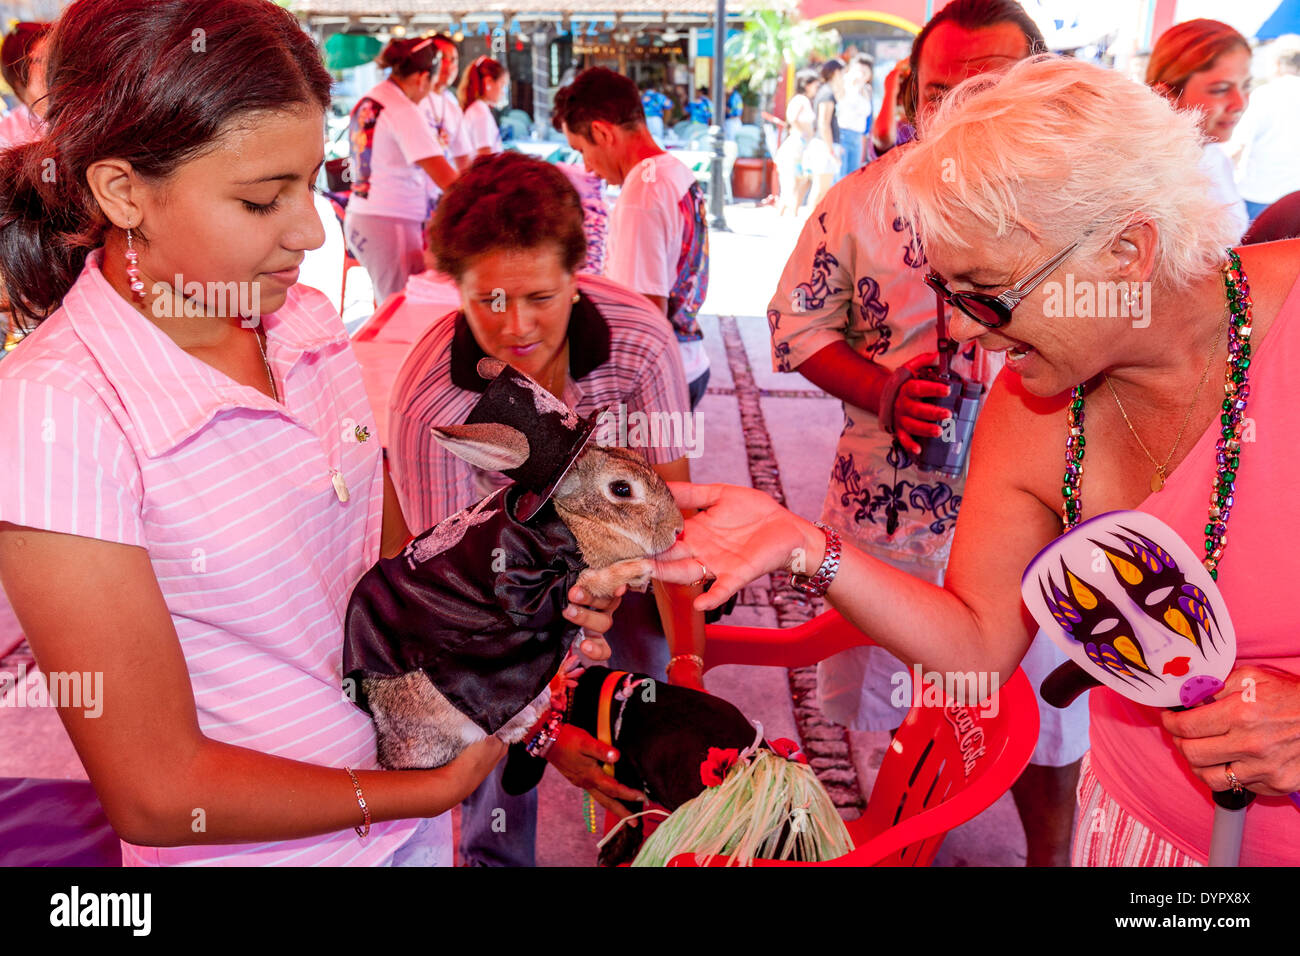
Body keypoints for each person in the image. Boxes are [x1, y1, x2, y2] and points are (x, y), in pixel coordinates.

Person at [0, 0, 618, 867]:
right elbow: (155, 789)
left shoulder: (305, 324)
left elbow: (403, 581)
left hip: (399, 827)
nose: (312, 230)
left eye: (314, 180)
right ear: (122, 191)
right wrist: (426, 790)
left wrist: (526, 626)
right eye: (261, 200)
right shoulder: (56, 413)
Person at [665, 55, 1300, 867]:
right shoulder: (1032, 405)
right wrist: (802, 545)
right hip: (1140, 829)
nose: (962, 332)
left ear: (1126, 252)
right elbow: (977, 644)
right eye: (946, 290)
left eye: (987, 293)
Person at [768, 0, 1083, 869]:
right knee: (899, 692)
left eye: (989, 89)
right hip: (894, 516)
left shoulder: (1091, 210)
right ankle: (907, 839)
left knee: (1045, 710)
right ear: (909, 98)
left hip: (1049, 526)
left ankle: (1049, 859)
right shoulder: (860, 201)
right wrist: (881, 388)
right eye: (940, 93)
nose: (961, 116)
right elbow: (794, 328)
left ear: (1043, 87)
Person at [387, 152, 705, 865]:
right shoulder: (431, 407)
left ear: (578, 273)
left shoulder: (644, 348)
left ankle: (642, 838)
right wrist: (546, 732)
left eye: (539, 296)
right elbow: (455, 616)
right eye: (488, 301)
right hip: (483, 590)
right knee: (488, 757)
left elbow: (671, 533)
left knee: (651, 719)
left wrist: (689, 666)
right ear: (456, 291)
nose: (516, 327)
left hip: (610, 557)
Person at [554, 67, 712, 410]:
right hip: (688, 362)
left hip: (657, 382)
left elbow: (644, 316)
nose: (589, 169)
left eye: (582, 151)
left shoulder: (643, 193)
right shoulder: (673, 169)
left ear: (602, 132)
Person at [344, 36, 458, 305]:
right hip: (389, 222)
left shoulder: (371, 98)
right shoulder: (404, 110)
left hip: (365, 217)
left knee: (387, 301)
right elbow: (447, 179)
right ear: (421, 78)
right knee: (397, 307)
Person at [1146, 19, 1252, 241]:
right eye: (1221, 89)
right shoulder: (1147, 178)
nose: (1239, 103)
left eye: (1246, 86)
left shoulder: (1213, 155)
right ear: (1166, 97)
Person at [1230, 46, 1300, 221]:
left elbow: (1239, 144)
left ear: (1277, 65)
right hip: (1295, 196)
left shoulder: (1263, 94)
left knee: (1252, 247)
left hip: (1259, 193)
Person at [421, 34, 474, 179]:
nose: (449, 65)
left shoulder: (452, 104)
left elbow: (464, 159)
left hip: (441, 193)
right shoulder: (413, 99)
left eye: (453, 60)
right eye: (443, 58)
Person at [774, 69, 820, 216]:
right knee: (792, 182)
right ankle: (787, 213)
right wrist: (804, 134)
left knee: (801, 180)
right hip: (798, 145)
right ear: (807, 85)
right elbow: (793, 118)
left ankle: (792, 212)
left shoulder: (801, 100)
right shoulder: (801, 100)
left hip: (801, 144)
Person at [0, 21, 49, 149]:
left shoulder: (86, 109)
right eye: (42, 59)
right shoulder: (7, 137)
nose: (55, 66)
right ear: (17, 75)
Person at [804, 58, 846, 208]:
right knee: (820, 189)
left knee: (822, 189)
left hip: (826, 145)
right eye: (842, 72)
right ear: (836, 73)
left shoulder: (828, 92)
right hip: (824, 146)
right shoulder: (827, 93)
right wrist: (831, 150)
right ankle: (810, 223)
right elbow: (824, 123)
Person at [458, 56, 507, 157]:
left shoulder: (476, 109)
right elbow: (485, 158)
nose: (503, 92)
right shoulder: (480, 112)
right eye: (502, 85)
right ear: (488, 82)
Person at [836, 54, 873, 177]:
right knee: (839, 176)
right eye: (859, 70)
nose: (861, 74)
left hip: (858, 136)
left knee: (852, 177)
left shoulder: (866, 89)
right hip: (842, 134)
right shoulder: (843, 84)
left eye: (865, 71)